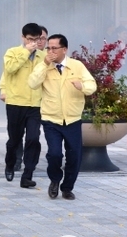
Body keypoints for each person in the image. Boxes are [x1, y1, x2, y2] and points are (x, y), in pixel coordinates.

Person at [28, 34, 96, 200]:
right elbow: (32, 83)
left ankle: (67, 187)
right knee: (55, 154)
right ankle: (55, 181)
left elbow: (92, 85)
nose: (50, 51)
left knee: (74, 155)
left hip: (72, 119)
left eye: (54, 48)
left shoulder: (76, 66)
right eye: (48, 48)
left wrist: (82, 87)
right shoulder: (44, 66)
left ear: (64, 49)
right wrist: (44, 64)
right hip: (51, 118)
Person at [2, 23, 47, 188]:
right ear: (23, 38)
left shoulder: (43, 56)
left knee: (33, 139)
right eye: (30, 39)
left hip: (35, 105)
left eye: (36, 39)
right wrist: (26, 51)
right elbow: (10, 68)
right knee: (14, 139)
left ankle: (28, 174)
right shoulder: (12, 53)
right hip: (15, 103)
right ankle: (10, 164)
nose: (33, 43)